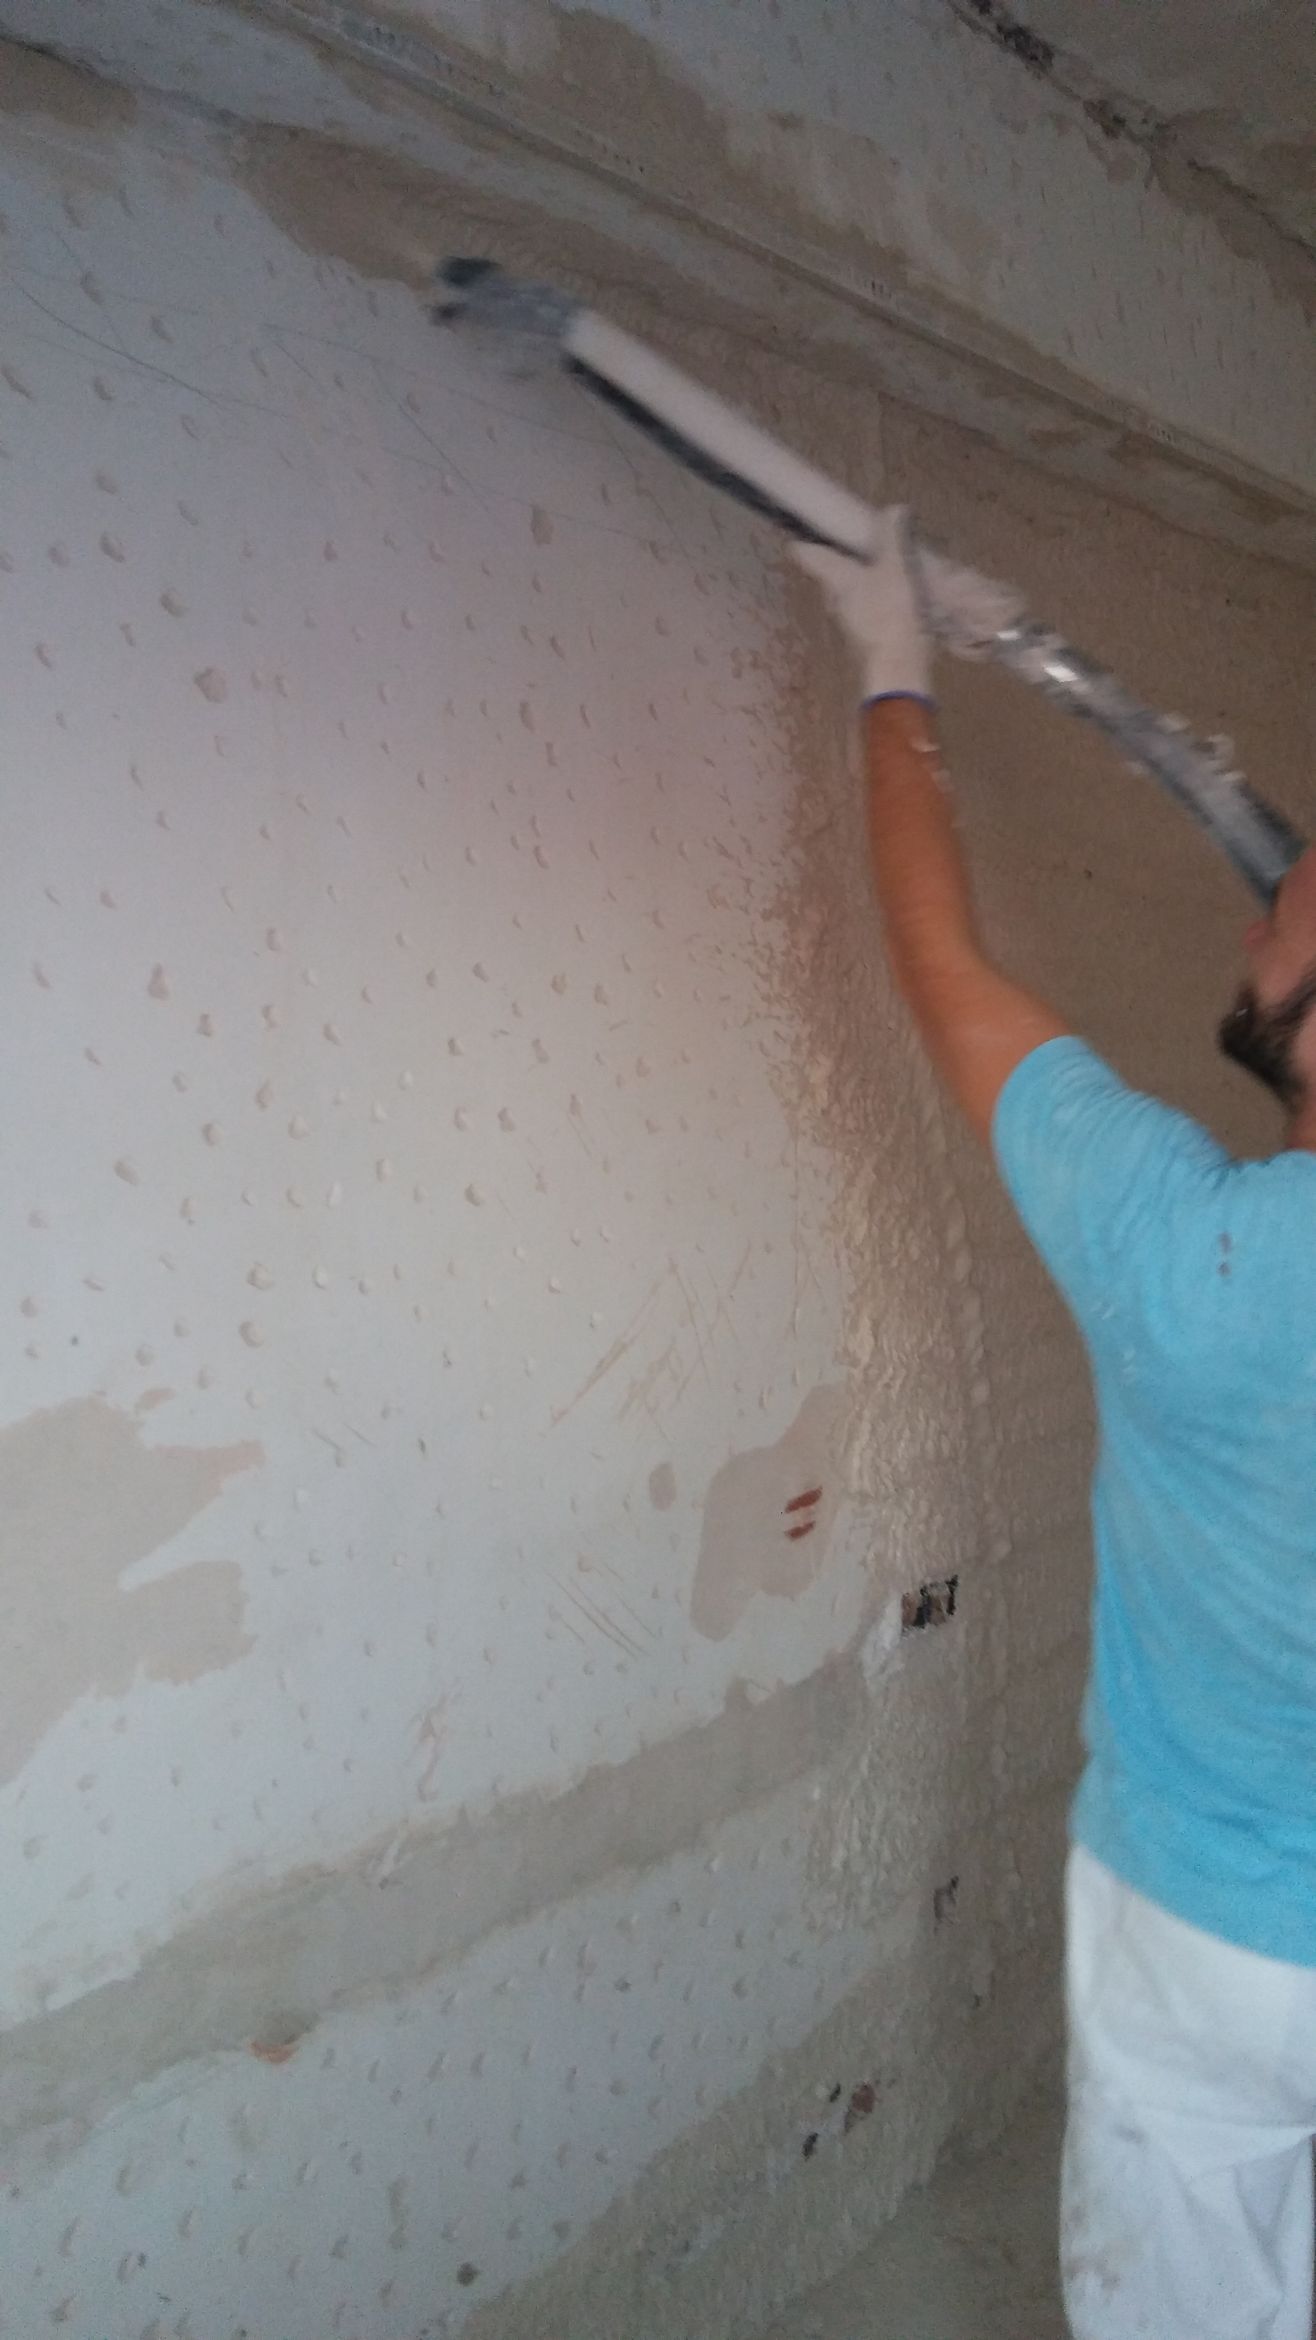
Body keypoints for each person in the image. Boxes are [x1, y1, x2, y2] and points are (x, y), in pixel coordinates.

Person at [795, 514, 1316, 2340]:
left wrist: (888, 666)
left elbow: (943, 962)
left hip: (1204, 1942)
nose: (1263, 906)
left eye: (1292, 904)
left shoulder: (1189, 1256)